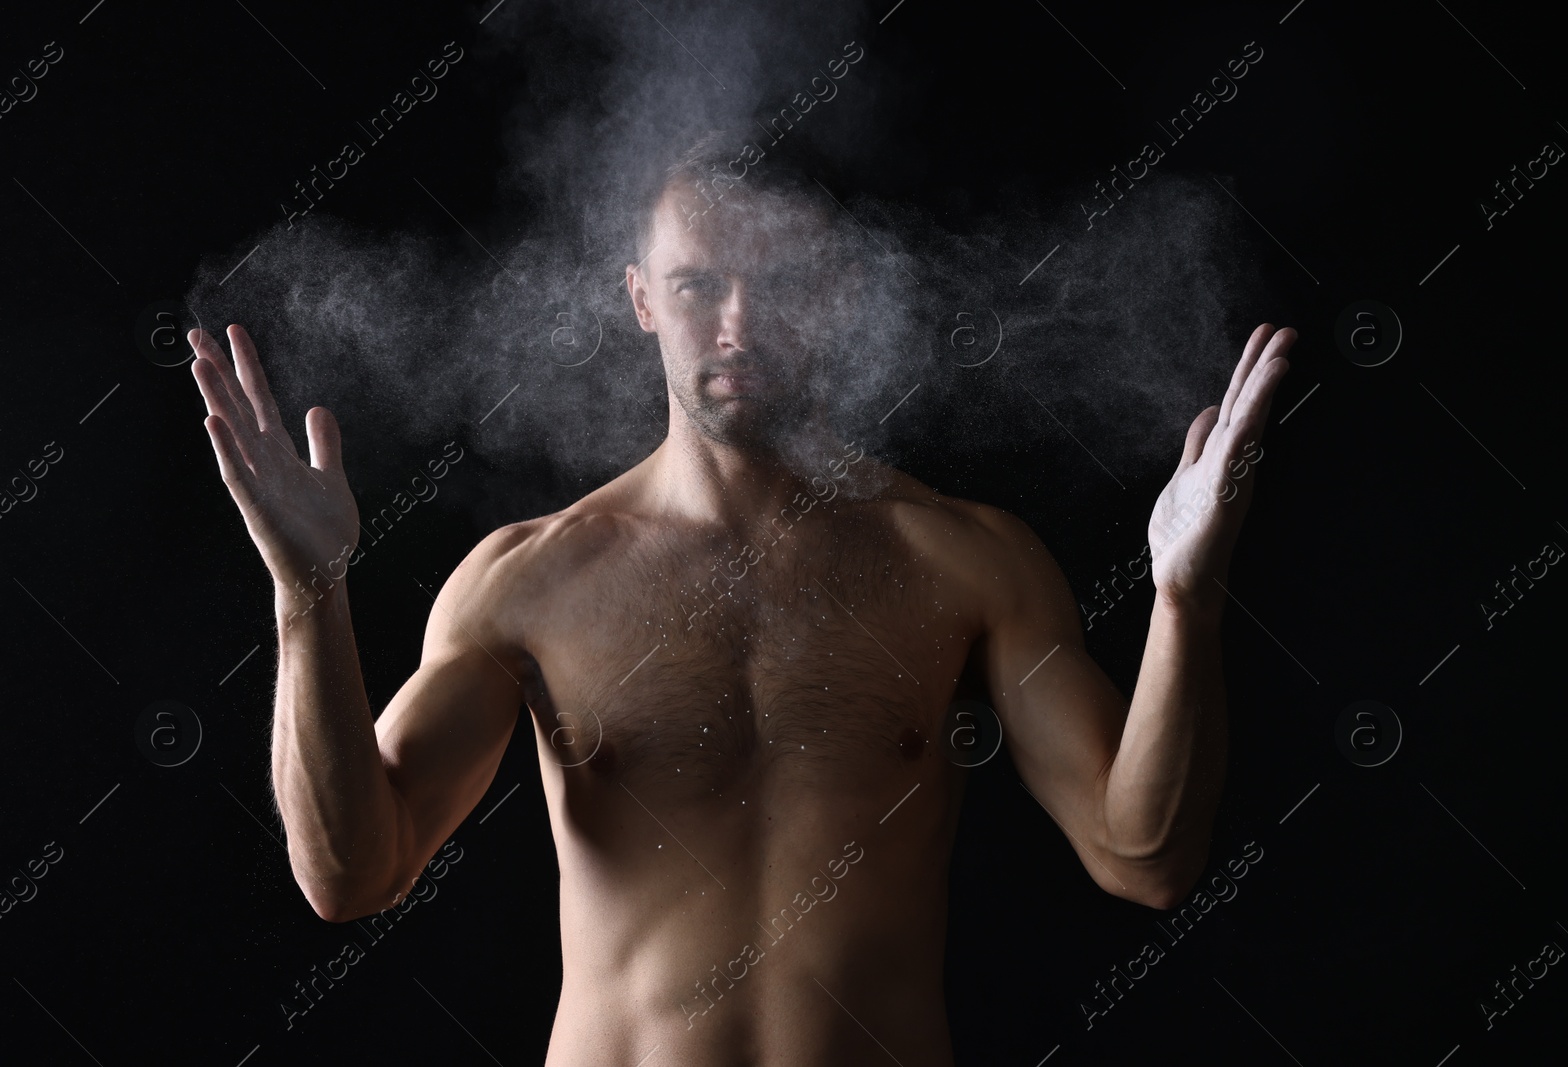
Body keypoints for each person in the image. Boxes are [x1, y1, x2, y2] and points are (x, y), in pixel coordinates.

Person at [188, 131, 1294, 1065]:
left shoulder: (963, 560)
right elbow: (351, 871)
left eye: (785, 281)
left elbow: (1141, 855)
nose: (737, 324)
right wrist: (308, 595)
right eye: (697, 283)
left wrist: (1181, 600)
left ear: (843, 295)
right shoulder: (530, 576)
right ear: (638, 299)